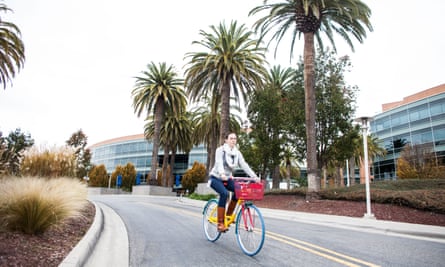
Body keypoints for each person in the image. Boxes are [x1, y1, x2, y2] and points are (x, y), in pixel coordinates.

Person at [209, 132, 259, 232]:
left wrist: (254, 177)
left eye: (235, 139)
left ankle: (228, 216)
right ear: (226, 140)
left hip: (227, 179)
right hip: (215, 178)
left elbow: (244, 165)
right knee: (224, 194)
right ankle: (220, 223)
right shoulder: (220, 150)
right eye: (231, 138)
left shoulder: (237, 153)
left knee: (239, 191)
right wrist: (222, 173)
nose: (233, 140)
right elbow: (219, 163)